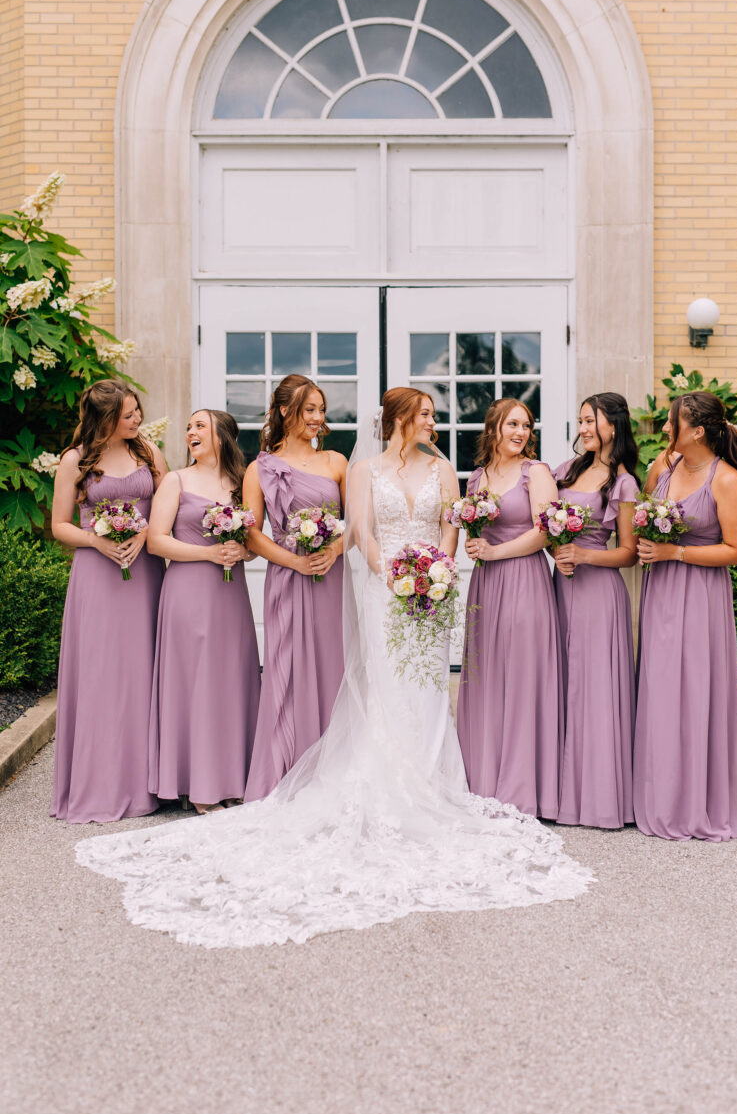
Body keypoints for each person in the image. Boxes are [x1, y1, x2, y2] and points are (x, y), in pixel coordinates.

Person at [75, 389, 591, 949]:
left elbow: (449, 527)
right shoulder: (358, 468)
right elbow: (361, 529)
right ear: (399, 421)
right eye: (426, 414)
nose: (434, 422)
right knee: (373, 681)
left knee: (424, 685)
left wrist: (434, 570)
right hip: (379, 585)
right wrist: (387, 572)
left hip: (428, 586)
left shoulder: (440, 468)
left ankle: (430, 778)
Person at [634, 391, 737, 841]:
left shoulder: (725, 481)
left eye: (672, 422)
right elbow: (645, 516)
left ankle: (697, 802)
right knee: (661, 688)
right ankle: (659, 796)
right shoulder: (661, 468)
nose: (665, 429)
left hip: (701, 595)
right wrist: (648, 545)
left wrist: (676, 551)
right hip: (661, 591)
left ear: (697, 431)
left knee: (695, 691)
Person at [51, 379, 166, 823]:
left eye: (138, 410)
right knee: (100, 673)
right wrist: (98, 542)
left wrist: (140, 531)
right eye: (129, 414)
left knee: (142, 670)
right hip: (97, 577)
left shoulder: (149, 454)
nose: (138, 419)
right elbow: (61, 525)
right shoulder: (75, 461)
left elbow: (164, 509)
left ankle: (147, 783)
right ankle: (98, 782)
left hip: (145, 574)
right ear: (107, 419)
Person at [146, 410, 260, 814]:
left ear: (222, 437)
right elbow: (156, 542)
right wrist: (208, 554)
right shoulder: (176, 480)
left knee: (231, 680)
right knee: (195, 683)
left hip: (231, 597)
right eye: (189, 425)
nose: (191, 431)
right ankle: (198, 786)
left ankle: (231, 778)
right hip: (188, 593)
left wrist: (242, 550)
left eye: (200, 426)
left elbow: (255, 540)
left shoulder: (242, 483)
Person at [457, 399, 564, 819]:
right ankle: (483, 780)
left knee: (521, 677)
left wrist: (495, 552)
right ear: (494, 428)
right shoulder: (476, 478)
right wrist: (472, 545)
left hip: (524, 581)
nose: (520, 432)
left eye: (527, 425)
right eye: (513, 424)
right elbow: (472, 532)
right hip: (485, 587)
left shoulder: (535, 473)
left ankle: (523, 788)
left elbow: (543, 534)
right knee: (486, 674)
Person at [243, 375, 347, 801]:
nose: (318, 418)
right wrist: (295, 562)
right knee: (287, 667)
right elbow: (251, 533)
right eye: (309, 409)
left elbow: (360, 524)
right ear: (286, 411)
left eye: (322, 410)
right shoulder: (258, 468)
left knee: (333, 665)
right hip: (287, 576)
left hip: (332, 577)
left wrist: (336, 549)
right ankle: (285, 771)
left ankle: (335, 770)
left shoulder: (337, 463)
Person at [552, 393, 640, 829]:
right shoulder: (565, 471)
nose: (583, 428)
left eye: (590, 421)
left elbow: (628, 554)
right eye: (581, 421)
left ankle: (599, 798)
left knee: (592, 687)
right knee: (560, 683)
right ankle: (559, 791)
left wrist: (583, 556)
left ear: (612, 425)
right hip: (559, 587)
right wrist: (556, 550)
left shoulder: (624, 484)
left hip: (598, 592)